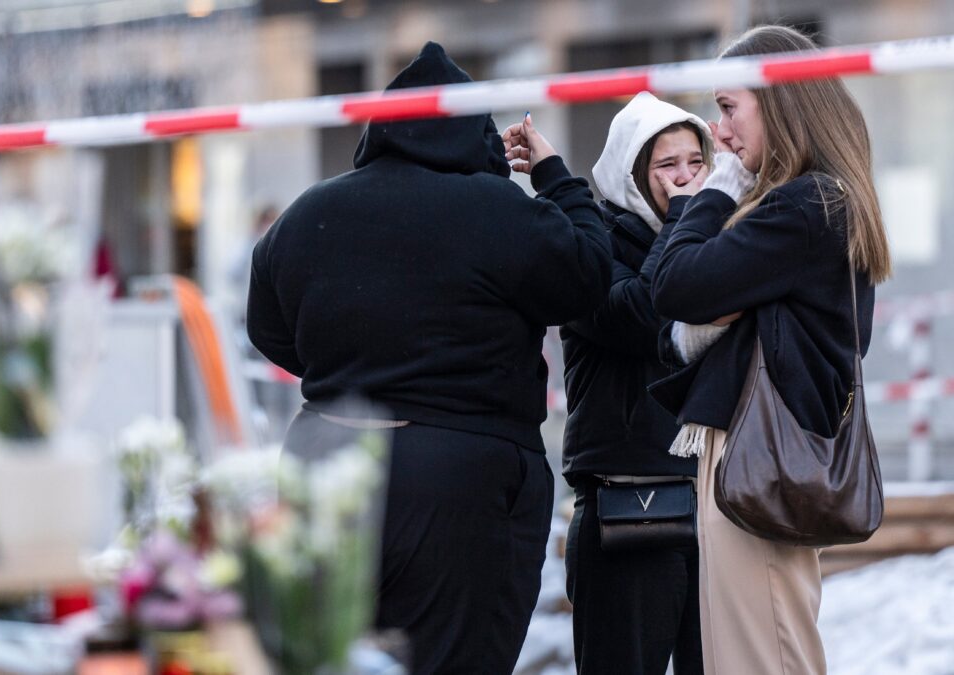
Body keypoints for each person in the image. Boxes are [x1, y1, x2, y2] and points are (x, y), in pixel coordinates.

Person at [246, 42, 612, 674]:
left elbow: (269, 329)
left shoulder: (308, 213)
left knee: (327, 656)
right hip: (459, 480)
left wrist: (353, 371)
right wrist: (554, 175)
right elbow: (587, 274)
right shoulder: (495, 209)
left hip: (323, 463)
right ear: (476, 134)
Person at [648, 25, 893, 675]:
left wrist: (718, 189)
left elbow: (673, 284)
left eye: (729, 108)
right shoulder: (818, 201)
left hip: (760, 458)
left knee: (762, 657)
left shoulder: (805, 205)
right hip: (756, 456)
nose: (718, 133)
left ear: (781, 103)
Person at [547, 91, 713, 675]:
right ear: (633, 174)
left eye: (697, 162)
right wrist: (687, 221)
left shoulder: (711, 241)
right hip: (627, 506)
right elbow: (643, 313)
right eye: (668, 166)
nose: (687, 179)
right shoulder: (593, 248)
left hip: (712, 506)